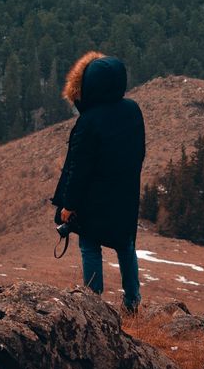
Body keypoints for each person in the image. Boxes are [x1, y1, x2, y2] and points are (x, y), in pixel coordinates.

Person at [52, 51, 146, 314]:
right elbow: (140, 153)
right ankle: (132, 303)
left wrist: (68, 206)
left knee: (90, 245)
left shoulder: (88, 122)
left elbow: (78, 169)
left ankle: (93, 305)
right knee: (126, 245)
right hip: (125, 195)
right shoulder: (132, 109)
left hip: (94, 200)